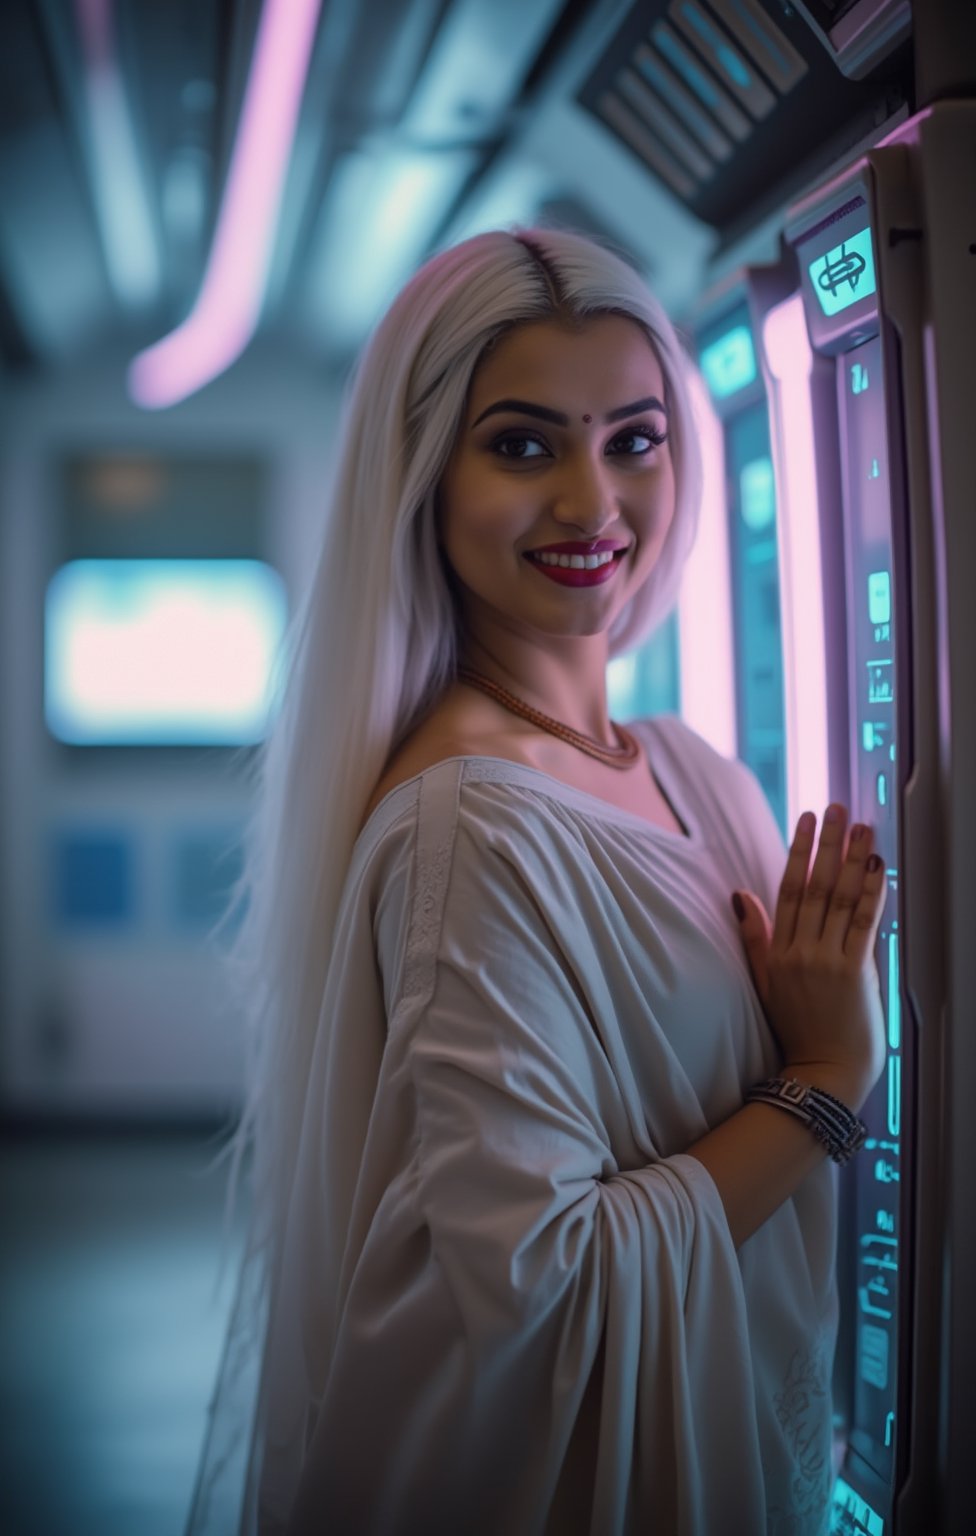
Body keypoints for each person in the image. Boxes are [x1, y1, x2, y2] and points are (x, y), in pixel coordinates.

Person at [221, 227, 887, 1536]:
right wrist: (820, 1086)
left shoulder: (698, 772)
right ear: (424, 478)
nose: (595, 504)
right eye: (524, 445)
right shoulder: (470, 826)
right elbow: (545, 1287)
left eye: (634, 439)